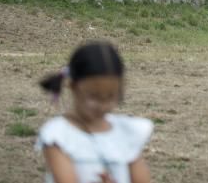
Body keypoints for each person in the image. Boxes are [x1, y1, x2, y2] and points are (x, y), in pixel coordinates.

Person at [36, 42, 151, 183]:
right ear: (72, 86)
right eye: (94, 96)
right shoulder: (58, 136)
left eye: (111, 96)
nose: (103, 105)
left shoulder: (127, 133)